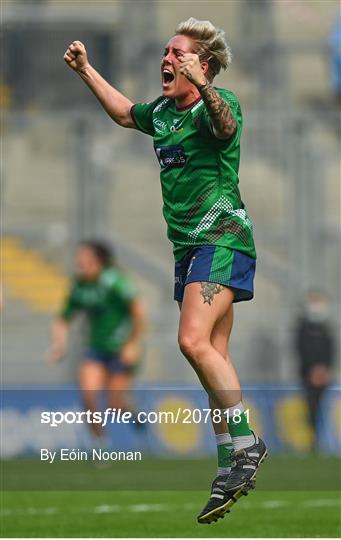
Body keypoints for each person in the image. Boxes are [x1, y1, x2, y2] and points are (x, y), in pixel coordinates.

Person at [64, 18, 267, 524]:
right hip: (189, 251)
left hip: (220, 239)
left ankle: (247, 443)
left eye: (179, 53)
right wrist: (88, 71)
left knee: (192, 342)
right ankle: (229, 463)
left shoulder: (217, 104)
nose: (168, 59)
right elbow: (124, 114)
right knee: (210, 355)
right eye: (167, 51)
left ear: (203, 65)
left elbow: (226, 127)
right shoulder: (163, 113)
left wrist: (202, 82)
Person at [50, 240, 146, 448]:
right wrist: (59, 345)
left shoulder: (114, 281)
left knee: (114, 404)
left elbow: (138, 311)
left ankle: (132, 412)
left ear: (98, 261)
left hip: (121, 348)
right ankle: (99, 443)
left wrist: (133, 344)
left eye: (84, 259)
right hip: (96, 349)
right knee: (88, 395)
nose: (79, 263)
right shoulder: (79, 286)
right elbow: (63, 319)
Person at [294, 291, 335, 452]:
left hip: (323, 376)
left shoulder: (326, 327)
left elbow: (331, 351)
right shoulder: (303, 327)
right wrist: (312, 370)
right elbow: (301, 349)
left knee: (320, 407)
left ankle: (319, 441)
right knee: (310, 407)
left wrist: (324, 370)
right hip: (308, 374)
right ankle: (311, 442)